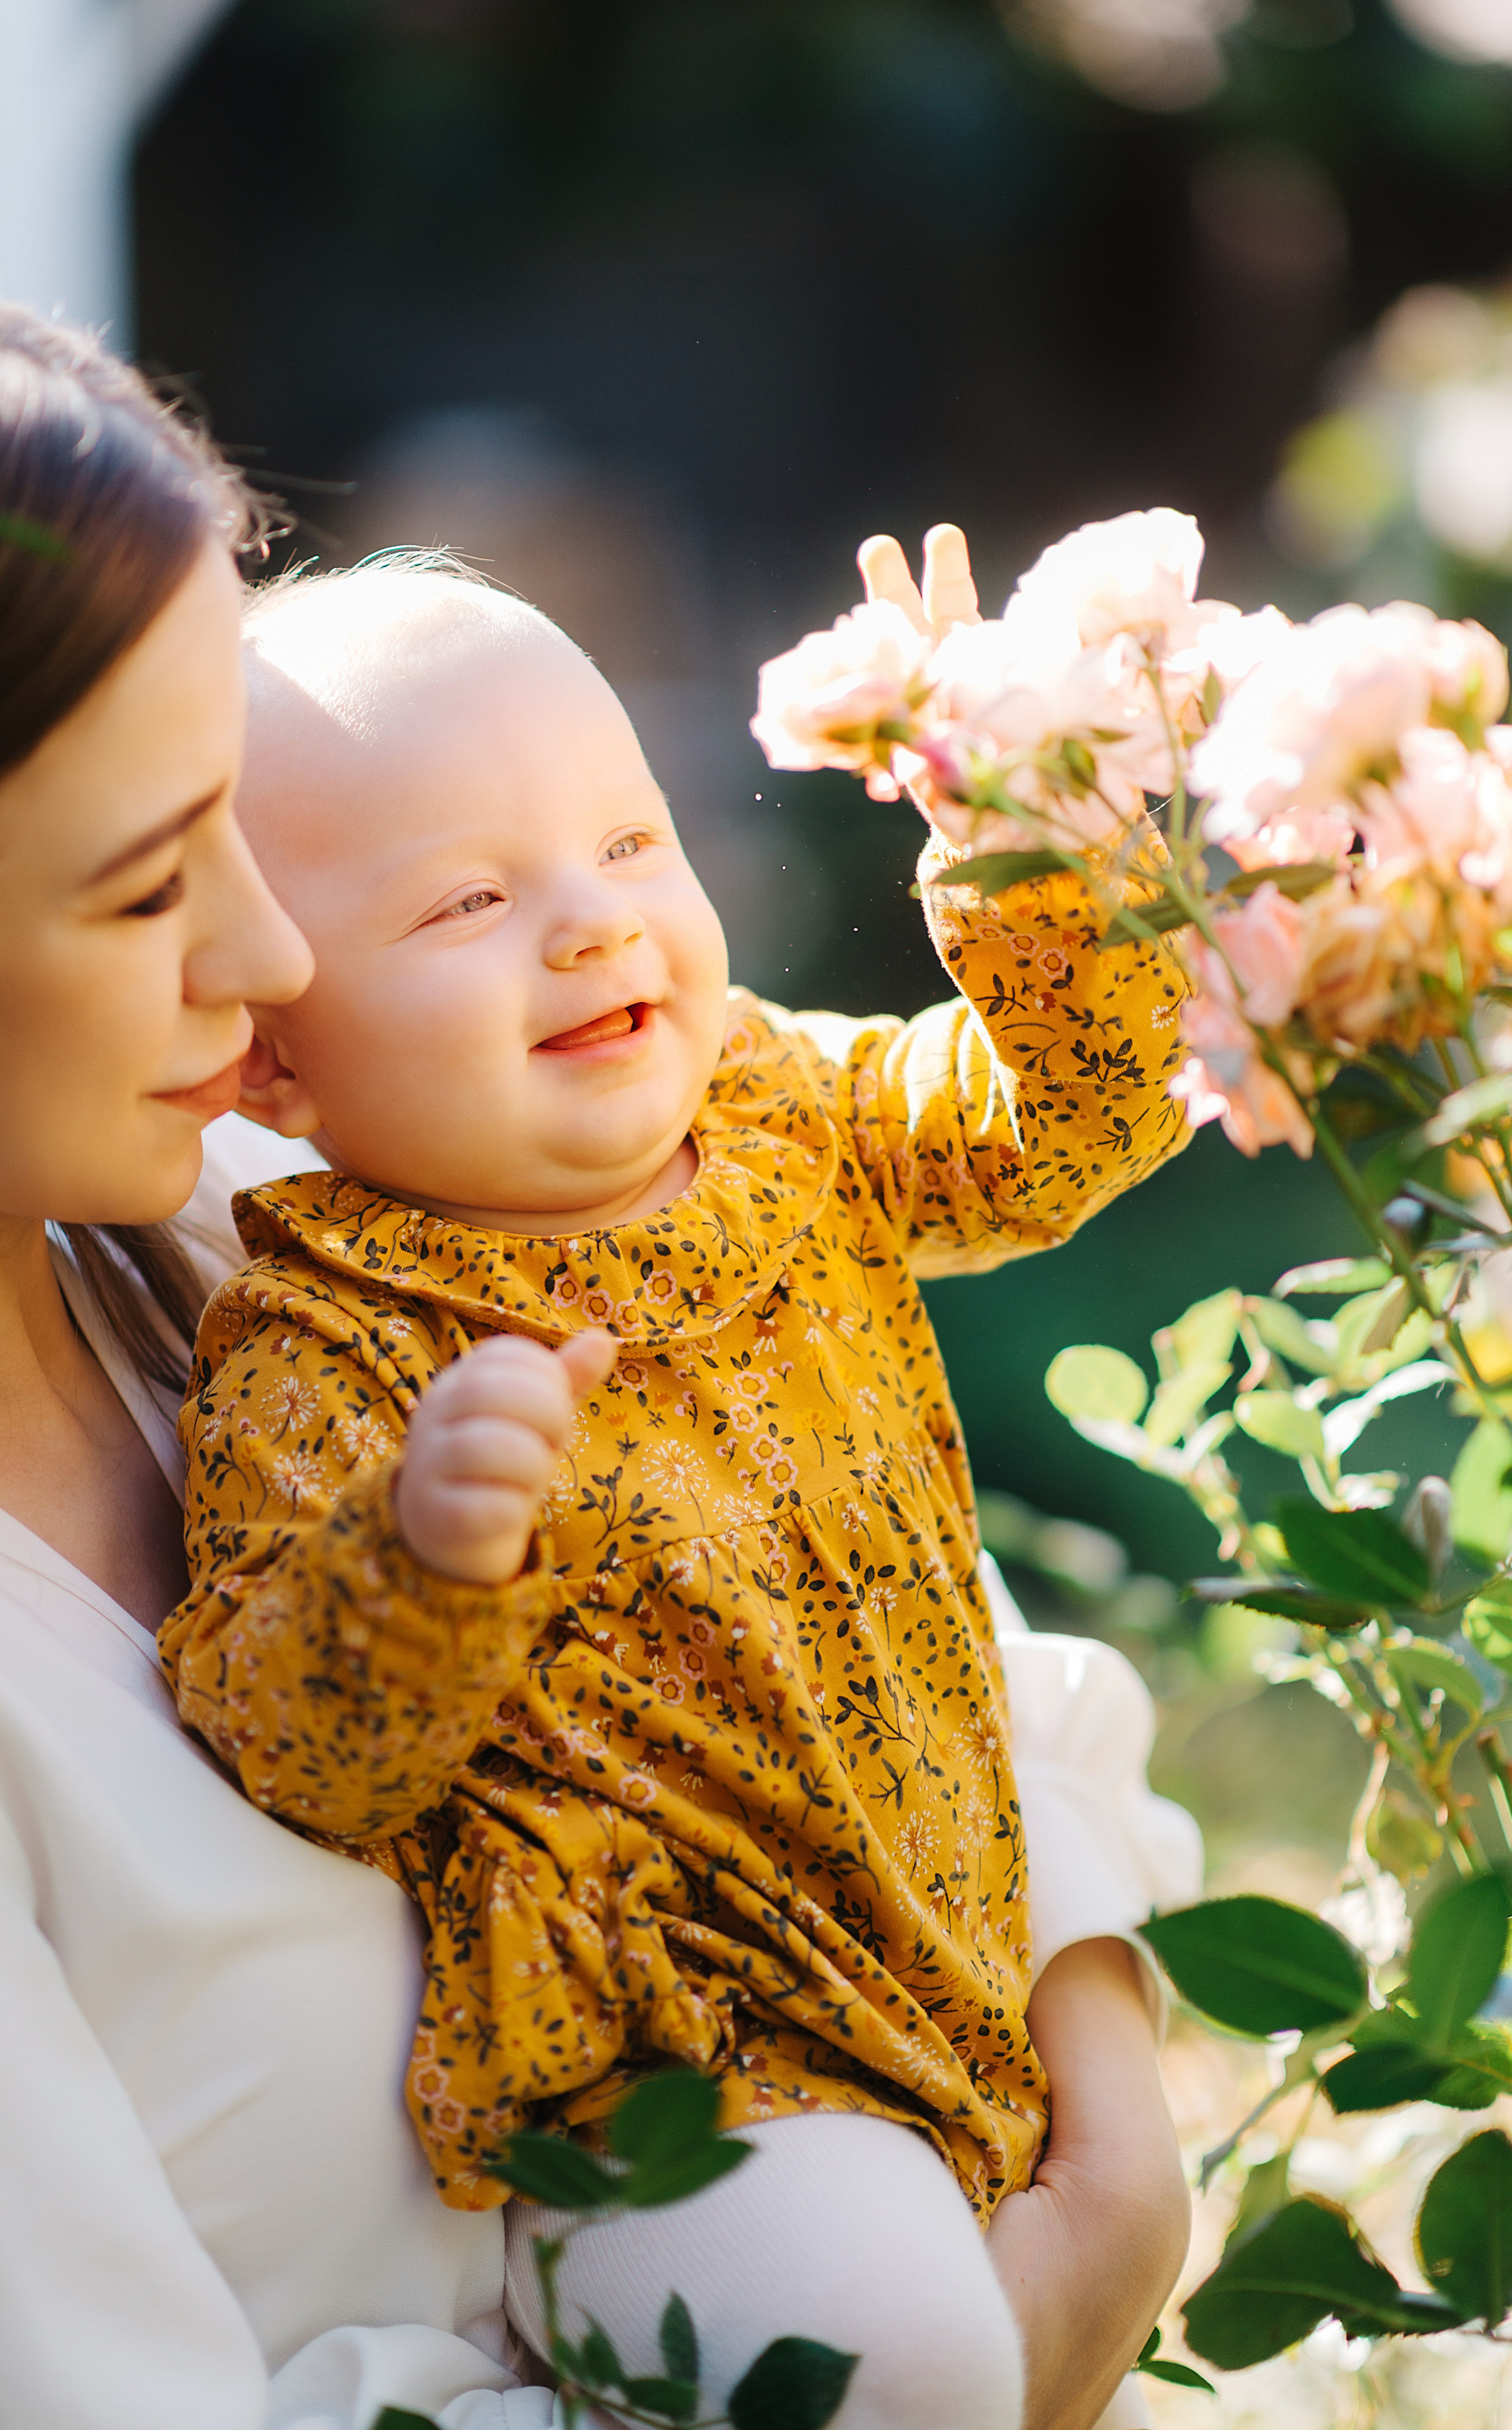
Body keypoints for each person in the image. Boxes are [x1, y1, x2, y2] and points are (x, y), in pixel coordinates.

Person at [162, 548, 1198, 2428]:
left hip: (952, 1950)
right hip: (677, 2061)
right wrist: (421, 1554)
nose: (590, 922)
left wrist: (1028, 849)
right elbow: (295, 1749)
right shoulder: (329, 1337)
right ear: (273, 1056)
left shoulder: (781, 1108)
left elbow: (1065, 1128)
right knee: (898, 2362)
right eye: (470, 899)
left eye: (632, 840)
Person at [0, 303, 557, 2428]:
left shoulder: (248, 1222)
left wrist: (1099, 2181)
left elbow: (927, 1624)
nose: (276, 951)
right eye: (152, 884)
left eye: (243, 808)